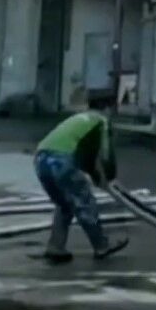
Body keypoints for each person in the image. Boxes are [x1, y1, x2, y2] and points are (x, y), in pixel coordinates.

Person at [35, 93, 127, 264]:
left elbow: (86, 156)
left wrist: (97, 177)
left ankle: (55, 246)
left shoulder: (79, 118)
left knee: (64, 204)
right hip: (62, 161)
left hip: (41, 159)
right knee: (85, 202)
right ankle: (101, 246)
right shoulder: (101, 121)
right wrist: (111, 178)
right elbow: (106, 155)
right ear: (107, 108)